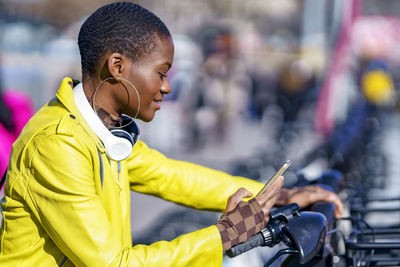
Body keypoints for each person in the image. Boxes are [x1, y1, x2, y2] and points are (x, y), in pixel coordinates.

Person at [0, 2, 343, 266]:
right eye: (161, 73)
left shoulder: (99, 127)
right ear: (117, 67)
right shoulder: (58, 144)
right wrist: (224, 235)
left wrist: (279, 196)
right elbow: (114, 263)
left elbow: (170, 176)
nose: (167, 87)